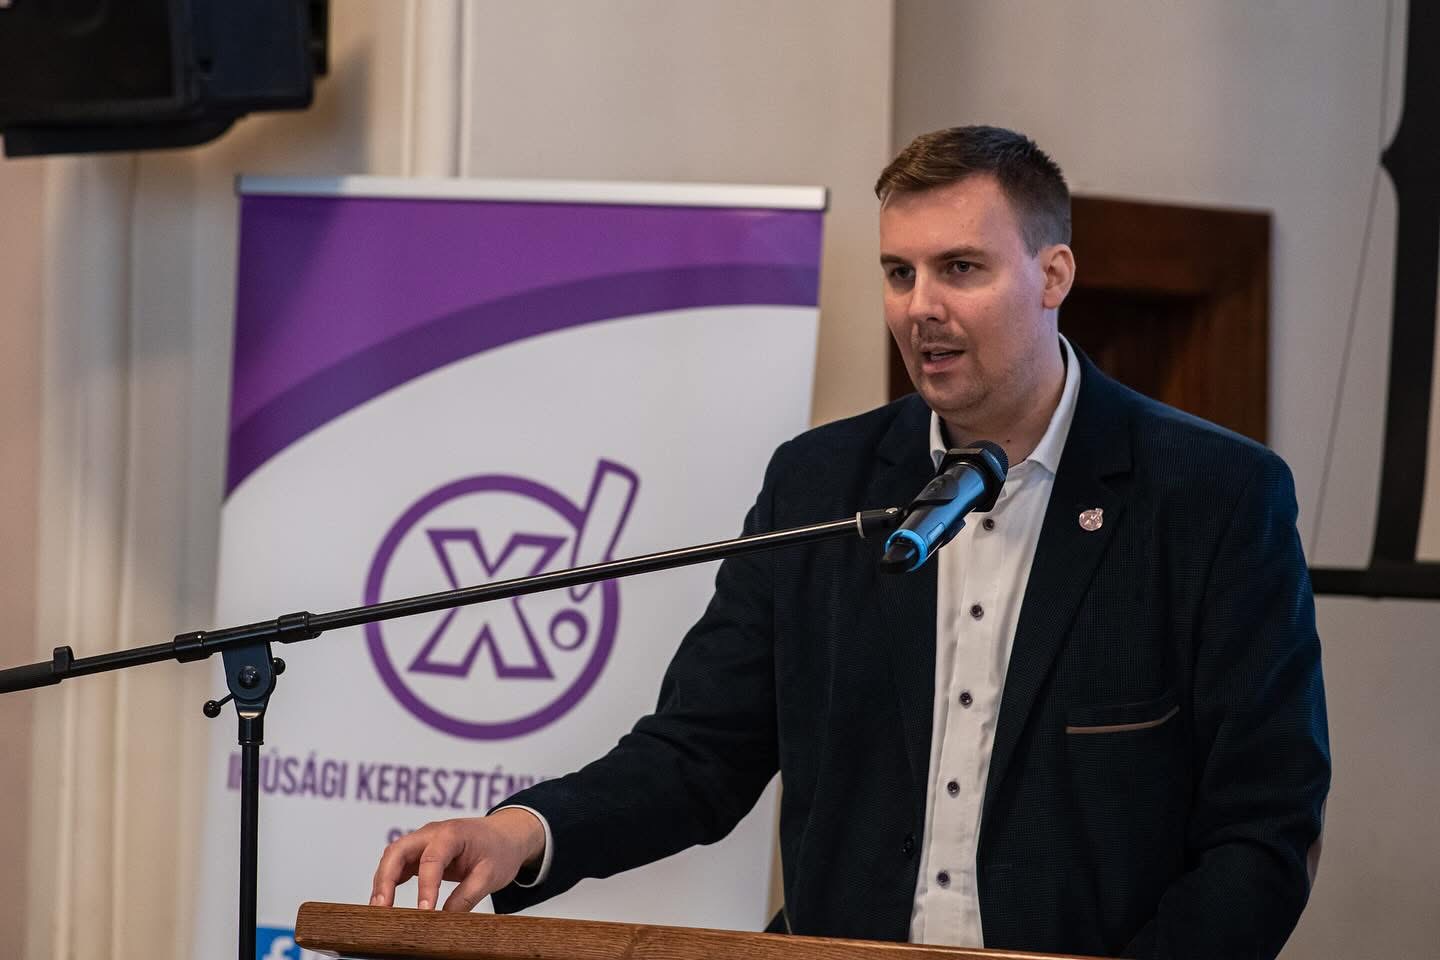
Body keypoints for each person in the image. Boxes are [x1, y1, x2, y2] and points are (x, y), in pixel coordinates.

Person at [370, 126, 1330, 960]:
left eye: (961, 268)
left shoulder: (1211, 496)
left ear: (1053, 275)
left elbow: (1263, 830)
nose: (921, 306)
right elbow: (701, 750)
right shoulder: (822, 484)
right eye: (899, 272)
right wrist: (520, 833)